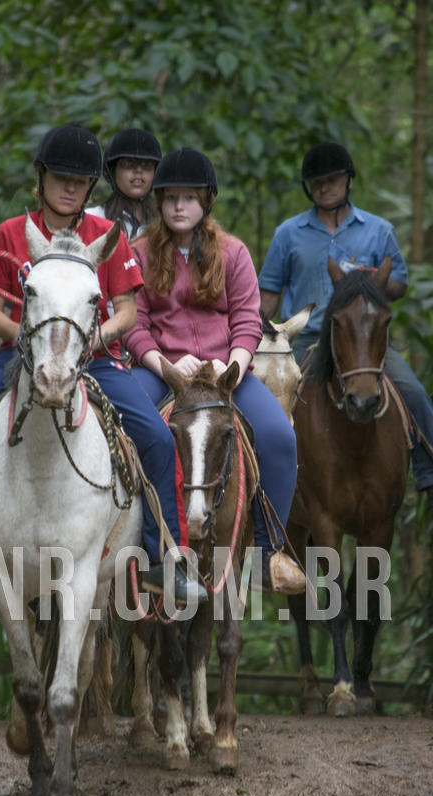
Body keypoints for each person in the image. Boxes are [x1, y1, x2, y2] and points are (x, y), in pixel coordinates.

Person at [0, 124, 206, 604]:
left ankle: (166, 559)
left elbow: (128, 311)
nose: (70, 187)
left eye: (79, 179)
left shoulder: (106, 237)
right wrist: (34, 342)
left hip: (96, 361)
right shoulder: (12, 233)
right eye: (61, 177)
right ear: (41, 177)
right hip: (20, 358)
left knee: (155, 437)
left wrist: (89, 339)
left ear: (91, 184)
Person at [122, 147, 305, 594]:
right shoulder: (139, 251)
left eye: (189, 197)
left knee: (280, 436)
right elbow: (133, 322)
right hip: (162, 369)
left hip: (226, 373)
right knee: (123, 429)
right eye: (170, 199)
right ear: (160, 203)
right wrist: (162, 362)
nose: (179, 206)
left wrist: (236, 364)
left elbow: (247, 318)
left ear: (206, 201)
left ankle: (268, 554)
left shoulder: (234, 253)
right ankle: (142, 549)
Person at [259, 140, 433, 505]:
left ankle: (427, 470)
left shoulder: (379, 230)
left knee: (413, 391)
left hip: (362, 339)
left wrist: (372, 280)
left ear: (349, 181)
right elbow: (269, 295)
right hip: (307, 339)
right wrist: (258, 329)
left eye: (333, 180)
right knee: (269, 401)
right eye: (317, 182)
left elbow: (398, 283)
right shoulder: (288, 234)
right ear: (309, 186)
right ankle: (262, 483)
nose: (325, 187)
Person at [87, 127, 162, 240]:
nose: (138, 171)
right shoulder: (92, 219)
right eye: (128, 164)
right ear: (112, 171)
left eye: (147, 165)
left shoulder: (165, 222)